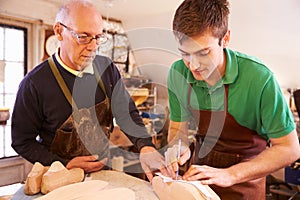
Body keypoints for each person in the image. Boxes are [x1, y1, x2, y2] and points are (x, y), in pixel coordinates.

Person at [11, 0, 167, 181]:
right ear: (59, 31)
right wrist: (63, 163)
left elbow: (127, 113)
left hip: (102, 171)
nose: (93, 46)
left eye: (98, 37)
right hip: (59, 175)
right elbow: (22, 141)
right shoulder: (34, 84)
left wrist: (145, 146)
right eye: (83, 37)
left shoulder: (107, 69)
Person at [166, 0, 300, 199]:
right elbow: (178, 130)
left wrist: (231, 174)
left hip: (244, 187)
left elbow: (289, 149)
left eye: (203, 53)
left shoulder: (259, 78)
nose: (193, 66)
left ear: (225, 38)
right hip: (198, 185)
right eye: (185, 54)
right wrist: (178, 148)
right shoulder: (178, 72)